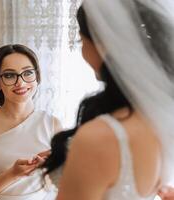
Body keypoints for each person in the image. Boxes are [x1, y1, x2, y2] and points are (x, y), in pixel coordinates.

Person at [42, 1, 174, 200]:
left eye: (81, 41)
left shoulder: (100, 137)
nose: (82, 50)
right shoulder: (161, 120)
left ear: (102, 44)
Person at [0, 44, 61, 200]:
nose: (20, 82)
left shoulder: (53, 124)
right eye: (9, 75)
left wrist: (48, 168)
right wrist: (13, 173)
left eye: (27, 73)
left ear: (37, 77)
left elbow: (61, 184)